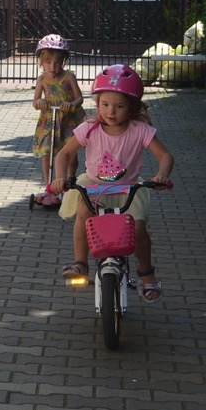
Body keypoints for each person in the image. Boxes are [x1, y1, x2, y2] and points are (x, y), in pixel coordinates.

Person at [50, 64, 174, 301]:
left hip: (129, 187)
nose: (111, 111)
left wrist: (162, 175)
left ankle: (147, 274)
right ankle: (80, 263)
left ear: (132, 107)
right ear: (97, 103)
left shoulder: (140, 130)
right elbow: (63, 154)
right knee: (84, 213)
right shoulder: (89, 128)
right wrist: (60, 177)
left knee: (138, 228)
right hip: (94, 185)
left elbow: (166, 156)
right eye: (105, 104)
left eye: (119, 106)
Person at [31, 34, 85, 206]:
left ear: (63, 62)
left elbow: (80, 98)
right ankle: (49, 185)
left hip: (68, 120)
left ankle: (71, 179)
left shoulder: (69, 77)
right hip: (49, 121)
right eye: (48, 63)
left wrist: (71, 104)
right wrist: (39, 102)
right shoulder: (42, 79)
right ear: (41, 62)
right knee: (46, 152)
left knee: (70, 155)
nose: (52, 67)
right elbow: (35, 101)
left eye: (57, 63)